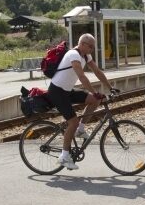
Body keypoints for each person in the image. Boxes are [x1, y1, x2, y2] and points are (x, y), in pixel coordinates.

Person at [47, 34, 115, 170]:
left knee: (95, 101)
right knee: (73, 121)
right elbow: (82, 76)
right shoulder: (73, 55)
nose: (92, 49)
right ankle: (64, 156)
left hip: (67, 90)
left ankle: (80, 130)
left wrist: (110, 87)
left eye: (93, 47)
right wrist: (94, 91)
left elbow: (97, 71)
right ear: (82, 44)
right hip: (57, 92)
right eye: (90, 46)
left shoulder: (86, 56)